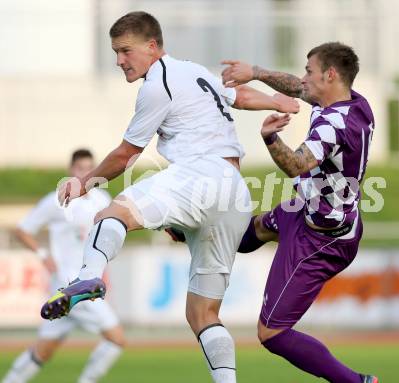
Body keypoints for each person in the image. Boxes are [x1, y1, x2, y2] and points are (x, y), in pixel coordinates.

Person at [40, 11, 299, 383]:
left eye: (125, 51)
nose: (119, 61)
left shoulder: (156, 84)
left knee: (112, 214)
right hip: (233, 193)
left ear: (152, 46)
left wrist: (85, 183)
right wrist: (276, 101)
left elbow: (126, 154)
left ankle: (88, 275)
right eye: (115, 52)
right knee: (202, 313)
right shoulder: (192, 70)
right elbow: (237, 96)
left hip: (198, 174)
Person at [221, 42, 378, 383]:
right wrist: (257, 73)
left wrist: (269, 138)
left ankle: (357, 382)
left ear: (330, 75)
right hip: (308, 208)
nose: (303, 77)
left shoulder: (333, 126)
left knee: (271, 332)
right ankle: (193, 234)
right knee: (259, 227)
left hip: (322, 239)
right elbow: (297, 87)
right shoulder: (354, 104)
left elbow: (296, 165)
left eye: (310, 70)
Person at [2, 149, 124, 383]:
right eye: (80, 168)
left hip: (83, 284)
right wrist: (43, 254)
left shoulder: (101, 200)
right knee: (116, 338)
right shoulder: (56, 201)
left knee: (43, 351)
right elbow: (22, 229)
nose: (85, 172)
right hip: (70, 283)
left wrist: (104, 275)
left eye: (89, 168)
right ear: (71, 170)